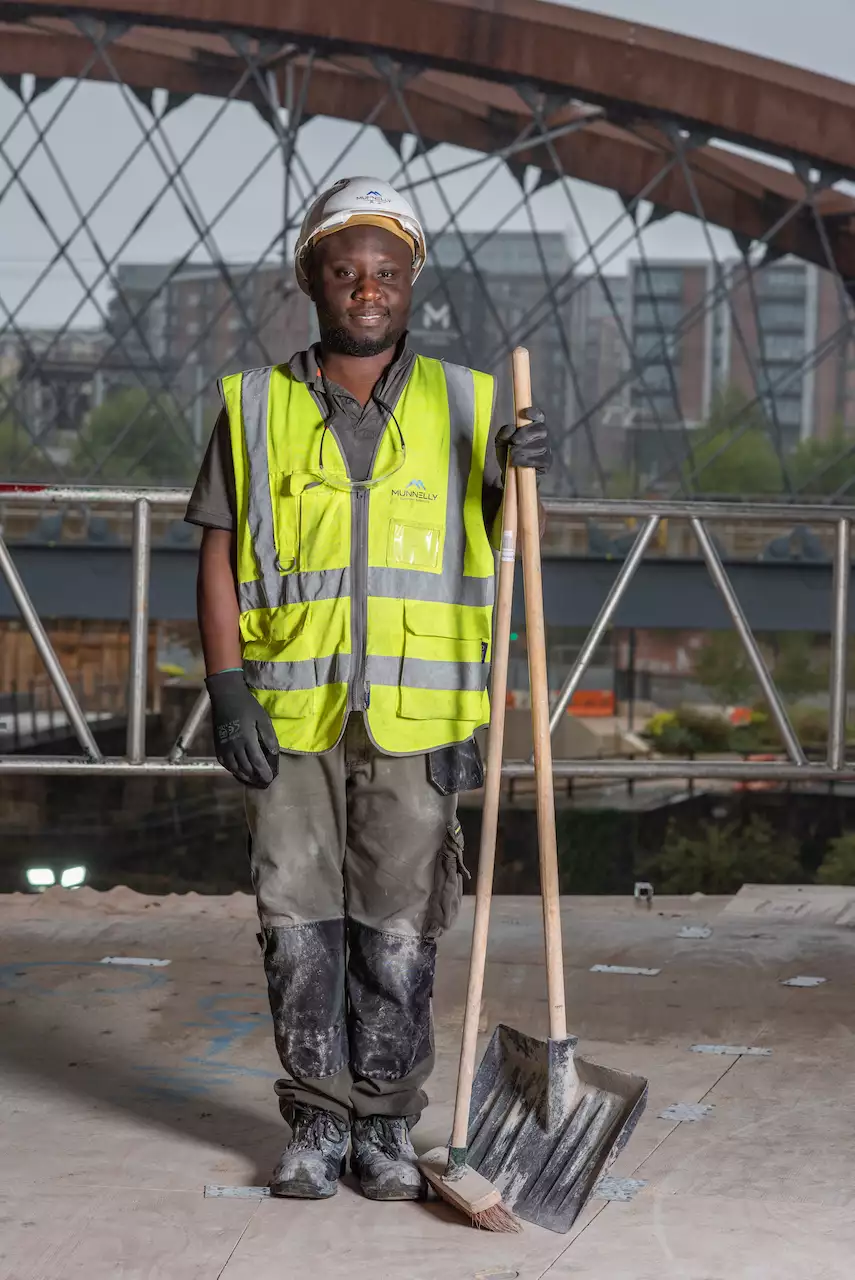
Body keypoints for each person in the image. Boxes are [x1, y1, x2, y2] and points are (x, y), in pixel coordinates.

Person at [185, 176, 551, 1203]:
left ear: (411, 282)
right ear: (312, 280)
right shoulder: (253, 407)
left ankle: (386, 1125)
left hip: (421, 713)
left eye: (386, 271)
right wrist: (227, 687)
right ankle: (315, 1120)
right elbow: (218, 556)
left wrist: (525, 474)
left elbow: (516, 555)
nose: (368, 288)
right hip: (291, 713)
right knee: (298, 921)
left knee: (398, 925)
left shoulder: (472, 404)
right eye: (345, 270)